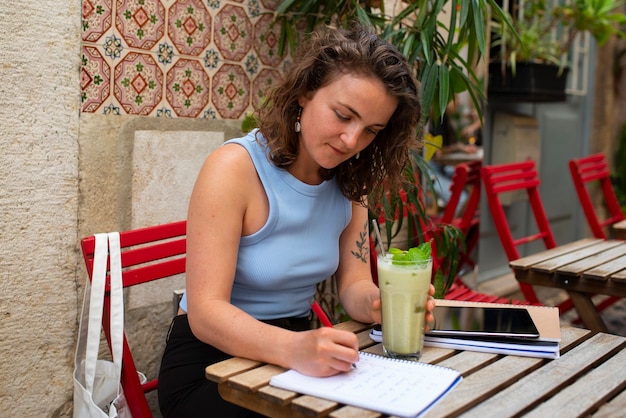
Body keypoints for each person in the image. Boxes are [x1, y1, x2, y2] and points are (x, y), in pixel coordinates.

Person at [157, 22, 437, 418]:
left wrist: (380, 303)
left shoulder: (350, 184)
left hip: (294, 356)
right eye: (343, 115)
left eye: (371, 130)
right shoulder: (235, 168)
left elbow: (354, 284)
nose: (351, 141)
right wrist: (294, 349)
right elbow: (205, 312)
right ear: (306, 93)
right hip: (211, 367)